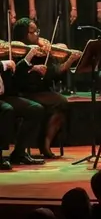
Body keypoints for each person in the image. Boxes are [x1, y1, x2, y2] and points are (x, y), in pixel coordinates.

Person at [11, 18, 76, 159]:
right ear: (24, 34)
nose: (37, 35)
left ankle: (46, 143)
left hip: (41, 91)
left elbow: (54, 72)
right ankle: (41, 144)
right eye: (33, 32)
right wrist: (32, 67)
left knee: (60, 106)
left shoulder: (42, 49)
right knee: (59, 102)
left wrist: (69, 60)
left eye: (37, 31)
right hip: (25, 92)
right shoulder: (16, 50)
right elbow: (15, 76)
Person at [0, 50, 45, 168]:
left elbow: (16, 77)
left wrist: (26, 60)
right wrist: (3, 64)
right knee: (6, 110)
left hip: (5, 96)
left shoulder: (7, 53)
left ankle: (19, 153)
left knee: (35, 109)